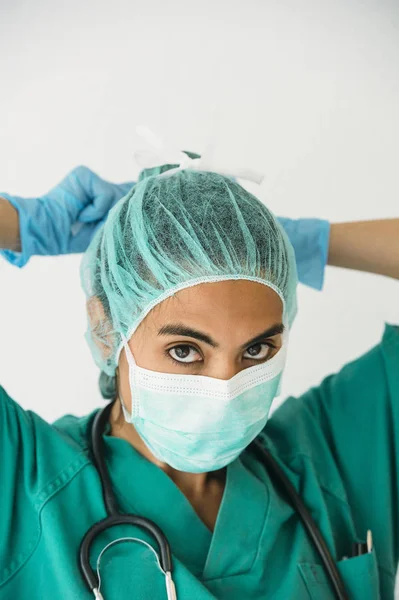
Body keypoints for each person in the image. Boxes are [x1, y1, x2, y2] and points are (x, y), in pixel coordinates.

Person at [0, 159, 398, 600]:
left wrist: (309, 246)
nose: (225, 388)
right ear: (106, 329)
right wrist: (19, 226)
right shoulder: (21, 477)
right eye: (185, 351)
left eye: (256, 350)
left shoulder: (334, 453)